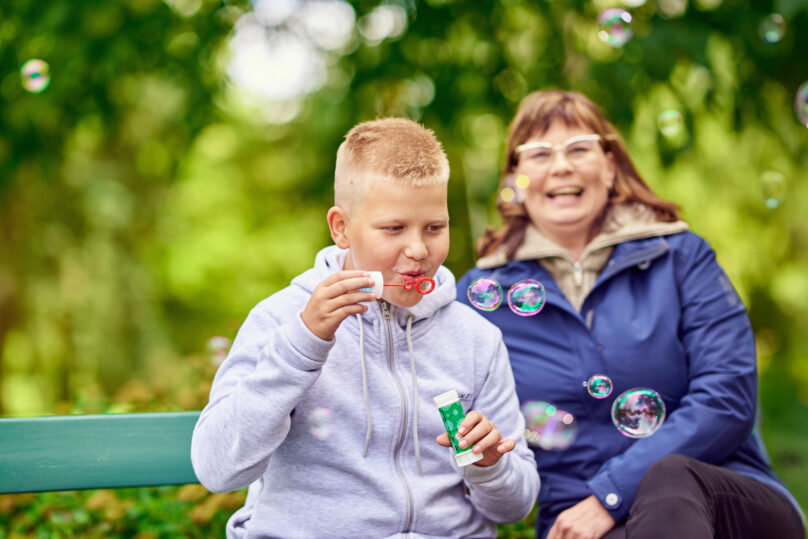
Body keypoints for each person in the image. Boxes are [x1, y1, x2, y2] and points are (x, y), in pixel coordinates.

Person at [457, 90, 805, 539]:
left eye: (579, 148)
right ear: (516, 177)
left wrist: (611, 494)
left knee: (670, 476)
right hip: (575, 522)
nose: (561, 166)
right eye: (539, 153)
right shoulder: (478, 296)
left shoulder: (681, 257)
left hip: (728, 501)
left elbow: (728, 395)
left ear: (610, 164)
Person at [191, 117, 540, 538]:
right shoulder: (282, 321)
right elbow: (216, 469)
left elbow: (515, 507)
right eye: (394, 228)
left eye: (435, 227)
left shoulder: (475, 339)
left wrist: (490, 466)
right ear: (341, 227)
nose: (418, 249)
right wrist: (303, 346)